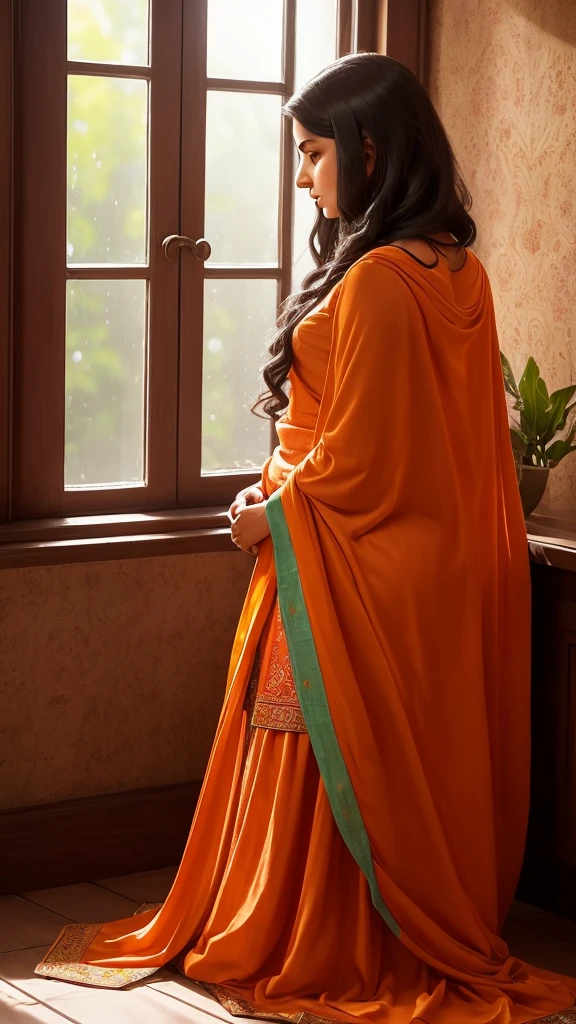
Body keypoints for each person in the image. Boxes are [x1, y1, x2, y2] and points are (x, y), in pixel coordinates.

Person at [36, 53, 576, 1024]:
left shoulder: (375, 282)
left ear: (370, 152)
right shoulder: (462, 272)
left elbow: (361, 460)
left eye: (314, 154)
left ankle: (319, 932)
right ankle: (396, 919)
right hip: (429, 566)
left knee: (317, 743)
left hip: (348, 554)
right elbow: (433, 451)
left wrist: (265, 514)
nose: (301, 178)